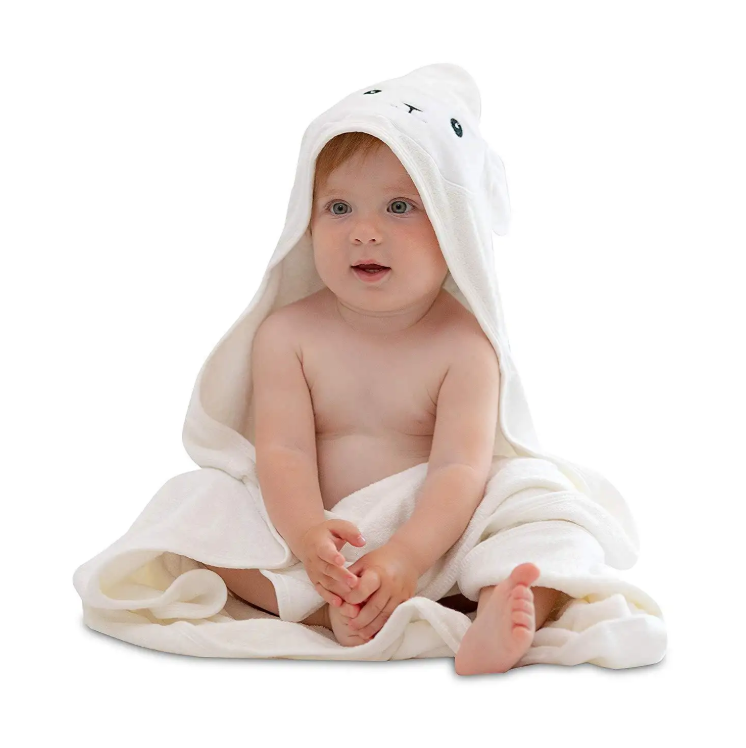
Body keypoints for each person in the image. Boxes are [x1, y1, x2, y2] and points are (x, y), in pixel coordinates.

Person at [203, 131, 568, 675]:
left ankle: (495, 610)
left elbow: (459, 468)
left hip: (437, 536)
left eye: (399, 207)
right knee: (198, 505)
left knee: (550, 515)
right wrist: (306, 534)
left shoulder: (465, 346)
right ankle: (332, 611)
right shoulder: (286, 335)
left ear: (455, 227)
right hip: (319, 541)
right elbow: (284, 451)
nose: (364, 232)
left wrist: (407, 555)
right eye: (339, 208)